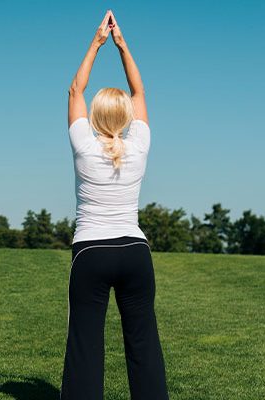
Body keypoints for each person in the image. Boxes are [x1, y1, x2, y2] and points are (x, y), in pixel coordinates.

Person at [60, 10, 168, 400]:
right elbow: (140, 93)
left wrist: (96, 42)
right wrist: (122, 44)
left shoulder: (84, 145)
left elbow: (75, 90)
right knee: (144, 343)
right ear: (125, 117)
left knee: (85, 344)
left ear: (94, 117)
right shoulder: (138, 144)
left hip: (91, 252)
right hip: (135, 252)